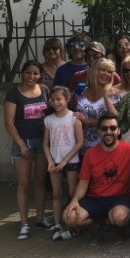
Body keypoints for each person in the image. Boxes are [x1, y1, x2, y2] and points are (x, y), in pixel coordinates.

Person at [63, 115, 130, 246]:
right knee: (70, 218)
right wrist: (74, 200)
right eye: (104, 128)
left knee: (120, 217)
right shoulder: (90, 154)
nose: (109, 132)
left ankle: (122, 225)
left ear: (118, 130)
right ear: (99, 132)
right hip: (95, 198)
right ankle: (99, 224)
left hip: (121, 197)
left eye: (113, 128)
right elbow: (83, 183)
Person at [4, 60, 51, 240]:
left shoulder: (45, 90)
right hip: (23, 143)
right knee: (24, 184)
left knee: (40, 182)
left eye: (35, 73)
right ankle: (24, 223)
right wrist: (21, 145)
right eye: (28, 72)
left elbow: (51, 113)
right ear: (22, 73)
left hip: (42, 142)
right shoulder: (13, 94)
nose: (32, 76)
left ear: (40, 75)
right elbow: (9, 123)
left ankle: (40, 218)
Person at [43, 86, 84, 240]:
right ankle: (57, 224)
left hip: (71, 160)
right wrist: (50, 161)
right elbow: (45, 144)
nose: (56, 102)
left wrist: (66, 160)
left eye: (59, 99)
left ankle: (74, 223)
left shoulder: (74, 118)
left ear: (67, 99)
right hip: (55, 162)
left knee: (73, 192)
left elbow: (80, 142)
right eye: (53, 100)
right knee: (56, 193)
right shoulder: (48, 120)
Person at [74, 58, 121, 156]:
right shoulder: (81, 89)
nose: (106, 74)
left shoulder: (113, 94)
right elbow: (70, 109)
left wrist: (106, 96)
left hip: (104, 148)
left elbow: (115, 118)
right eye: (103, 70)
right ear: (94, 71)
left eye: (109, 72)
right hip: (79, 147)